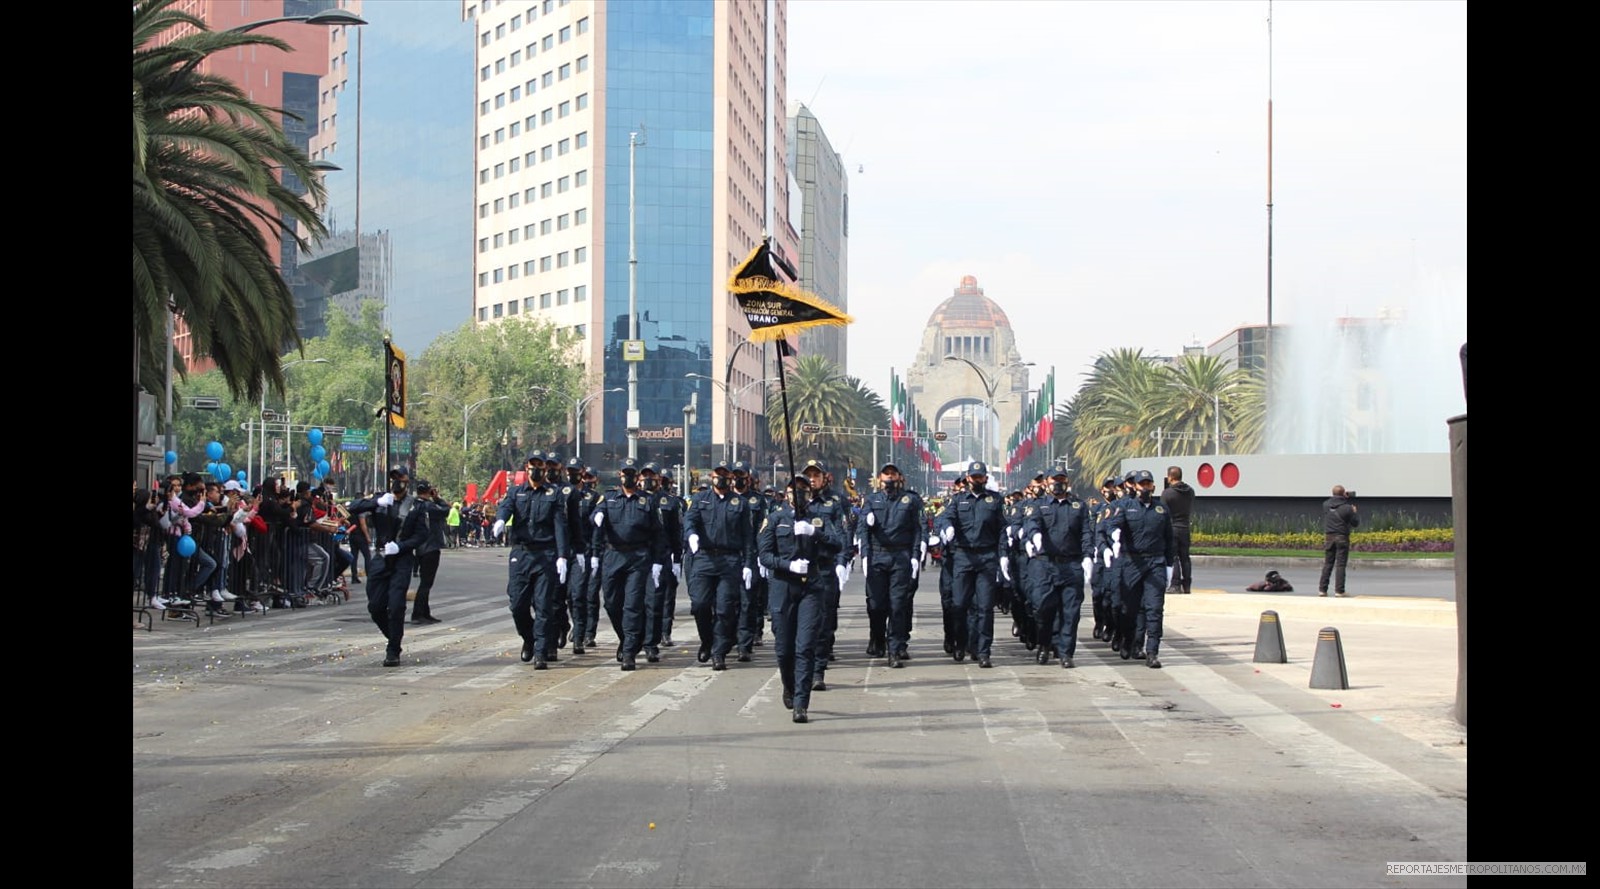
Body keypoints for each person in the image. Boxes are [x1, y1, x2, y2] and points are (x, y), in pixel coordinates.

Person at [758, 476, 841, 723]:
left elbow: (837, 543)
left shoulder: (819, 517)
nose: (799, 495)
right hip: (783, 585)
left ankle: (801, 703)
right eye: (794, 491)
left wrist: (815, 532)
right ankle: (789, 685)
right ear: (786, 494)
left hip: (811, 587)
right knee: (784, 649)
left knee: (805, 646)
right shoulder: (774, 519)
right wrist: (788, 565)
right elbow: (764, 555)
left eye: (804, 490)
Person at [348, 467, 432, 667]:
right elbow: (353, 506)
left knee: (396, 606)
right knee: (375, 606)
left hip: (401, 559)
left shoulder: (415, 506)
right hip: (380, 557)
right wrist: (375, 502)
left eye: (400, 478)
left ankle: (393, 649)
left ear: (407, 481)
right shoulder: (380, 500)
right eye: (393, 478)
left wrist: (401, 546)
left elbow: (422, 535)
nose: (396, 482)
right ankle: (394, 636)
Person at [493, 456, 570, 668]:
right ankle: (528, 637)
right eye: (532, 467)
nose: (535, 471)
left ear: (545, 470)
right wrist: (500, 519)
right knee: (518, 604)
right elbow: (506, 507)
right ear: (526, 469)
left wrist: (562, 555)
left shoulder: (553, 495)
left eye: (539, 467)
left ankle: (540, 652)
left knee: (544, 605)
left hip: (545, 554)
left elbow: (560, 527)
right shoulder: (516, 492)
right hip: (521, 554)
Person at [592, 458, 667, 671]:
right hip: (613, 556)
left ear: (637, 477)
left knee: (632, 605)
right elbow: (596, 516)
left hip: (638, 557)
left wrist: (658, 561)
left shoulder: (647, 501)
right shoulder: (608, 498)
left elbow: (658, 533)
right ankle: (626, 638)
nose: (629, 477)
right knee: (612, 603)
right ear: (620, 475)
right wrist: (597, 515)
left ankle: (629, 652)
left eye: (632, 473)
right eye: (625, 473)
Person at [683, 461, 758, 671]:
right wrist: (691, 535)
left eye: (725, 474)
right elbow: (689, 521)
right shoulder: (700, 499)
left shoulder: (740, 503)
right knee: (699, 605)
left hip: (730, 560)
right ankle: (706, 640)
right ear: (712, 476)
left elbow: (747, 537)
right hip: (705, 558)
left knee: (725, 609)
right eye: (718, 474)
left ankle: (719, 651)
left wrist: (748, 564)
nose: (721, 478)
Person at [937, 462, 1008, 667]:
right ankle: (961, 644)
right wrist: (947, 528)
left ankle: (983, 650)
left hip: (986, 558)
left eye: (980, 477)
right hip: (963, 558)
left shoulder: (994, 500)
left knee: (985, 607)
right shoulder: (958, 500)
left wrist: (1002, 555)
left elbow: (1002, 528)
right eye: (973, 476)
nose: (977, 480)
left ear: (985, 478)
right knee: (959, 605)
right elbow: (946, 518)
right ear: (967, 477)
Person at [1022, 467, 1094, 667]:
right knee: (1044, 609)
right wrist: (1035, 536)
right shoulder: (1038, 505)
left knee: (1070, 612)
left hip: (1071, 564)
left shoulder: (1078, 506)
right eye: (1055, 479)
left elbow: (1086, 533)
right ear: (1047, 482)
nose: (1058, 483)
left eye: (1062, 479)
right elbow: (1032, 524)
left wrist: (1088, 556)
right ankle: (1044, 644)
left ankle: (1066, 653)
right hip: (1046, 564)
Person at [857, 461, 925, 667]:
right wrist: (865, 554)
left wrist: (915, 555)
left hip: (900, 556)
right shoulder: (871, 500)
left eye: (892, 474)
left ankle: (894, 649)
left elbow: (917, 529)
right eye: (885, 475)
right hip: (878, 557)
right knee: (876, 605)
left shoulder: (911, 500)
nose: (889, 478)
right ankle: (877, 638)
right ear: (879, 479)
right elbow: (862, 528)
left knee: (898, 605)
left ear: (899, 478)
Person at [1106, 469, 1175, 668]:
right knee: (1129, 609)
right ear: (1134, 487)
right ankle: (1130, 640)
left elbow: (1169, 539)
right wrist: (1116, 536)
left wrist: (1169, 565)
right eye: (1141, 484)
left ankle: (1152, 652)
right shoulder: (1127, 507)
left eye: (1148, 484)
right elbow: (1113, 524)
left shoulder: (1161, 509)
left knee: (1154, 609)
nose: (1145, 488)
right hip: (1132, 563)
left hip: (1155, 563)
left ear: (1153, 486)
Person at [800, 459, 851, 689]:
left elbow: (842, 533)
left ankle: (818, 668)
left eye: (816, 475)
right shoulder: (797, 502)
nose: (812, 479)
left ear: (824, 477)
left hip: (824, 566)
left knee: (824, 618)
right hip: (799, 569)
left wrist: (843, 561)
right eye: (808, 475)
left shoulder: (835, 502)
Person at [410, 479, 448, 624]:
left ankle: (425, 613)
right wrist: (437, 497)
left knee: (425, 582)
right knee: (426, 583)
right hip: (430, 547)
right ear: (429, 491)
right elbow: (446, 509)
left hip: (419, 546)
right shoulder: (429, 506)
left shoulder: (414, 505)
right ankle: (418, 613)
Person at [1318, 485, 1360, 597]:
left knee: (1328, 563)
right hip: (1342, 537)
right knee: (1340, 565)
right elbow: (1355, 523)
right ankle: (1339, 591)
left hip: (1329, 537)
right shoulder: (1347, 508)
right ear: (1343, 493)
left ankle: (1322, 589)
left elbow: (1335, 503)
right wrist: (1354, 511)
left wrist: (1341, 497)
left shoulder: (1326, 505)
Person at [1162, 466, 1195, 594]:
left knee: (1174, 556)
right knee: (1185, 558)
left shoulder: (1167, 493)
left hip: (1173, 527)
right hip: (1185, 527)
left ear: (1170, 477)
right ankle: (1187, 585)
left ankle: (1175, 584)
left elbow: (1163, 512)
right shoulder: (1190, 491)